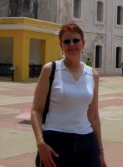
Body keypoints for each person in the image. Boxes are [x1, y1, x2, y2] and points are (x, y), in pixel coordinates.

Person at [31, 21, 107, 167]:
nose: (71, 44)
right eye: (66, 41)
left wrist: (100, 151)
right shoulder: (50, 69)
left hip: (87, 143)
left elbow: (94, 115)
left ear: (83, 43)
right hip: (55, 143)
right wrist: (40, 143)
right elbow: (36, 110)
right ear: (61, 46)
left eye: (76, 40)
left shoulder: (92, 74)